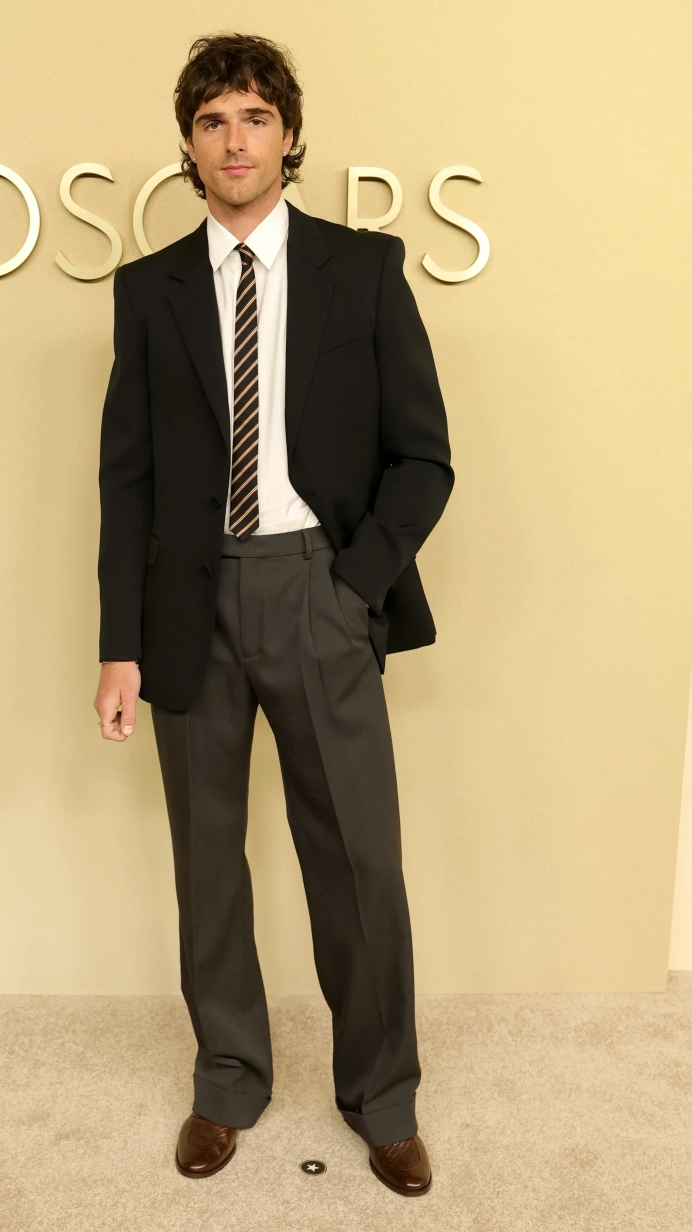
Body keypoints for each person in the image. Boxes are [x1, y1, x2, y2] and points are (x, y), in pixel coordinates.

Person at [93, 32, 454, 1197]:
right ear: (189, 145)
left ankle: (382, 1095)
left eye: (253, 116)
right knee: (207, 860)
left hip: (317, 585)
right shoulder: (149, 291)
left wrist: (353, 585)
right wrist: (119, 643)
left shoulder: (364, 269)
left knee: (357, 859)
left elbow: (423, 457)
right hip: (186, 604)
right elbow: (127, 481)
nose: (233, 139)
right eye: (212, 121)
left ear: (287, 134)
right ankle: (228, 1079)